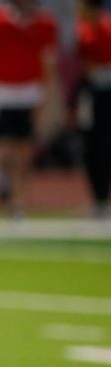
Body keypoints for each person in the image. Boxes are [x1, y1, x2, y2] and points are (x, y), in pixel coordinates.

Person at [0, 0, 60, 220]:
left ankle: (18, 203)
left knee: (23, 151)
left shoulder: (46, 25)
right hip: (0, 92)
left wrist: (45, 99)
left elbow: (48, 62)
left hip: (29, 92)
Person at [77, 0, 111, 219]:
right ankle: (99, 200)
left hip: (107, 93)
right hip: (93, 92)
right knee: (92, 147)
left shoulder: (105, 29)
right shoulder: (85, 29)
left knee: (106, 146)